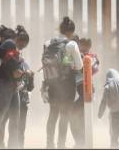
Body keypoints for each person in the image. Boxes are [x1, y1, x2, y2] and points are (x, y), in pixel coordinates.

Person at [41, 17, 83, 149]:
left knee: (53, 114)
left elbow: (45, 65)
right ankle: (61, 145)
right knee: (64, 115)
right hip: (67, 85)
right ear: (71, 32)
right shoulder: (71, 44)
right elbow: (79, 66)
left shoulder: (48, 43)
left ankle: (49, 144)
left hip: (52, 84)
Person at [0, 39, 24, 148]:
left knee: (15, 120)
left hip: (14, 89)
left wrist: (20, 73)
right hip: (3, 88)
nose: (13, 54)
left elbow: (17, 72)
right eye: (11, 52)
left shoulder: (13, 57)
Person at [70, 37, 100, 148]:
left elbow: (94, 68)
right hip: (83, 89)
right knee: (79, 117)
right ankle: (81, 141)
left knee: (77, 117)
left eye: (82, 45)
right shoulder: (78, 56)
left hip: (85, 89)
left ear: (87, 46)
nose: (80, 47)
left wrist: (82, 61)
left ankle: (81, 142)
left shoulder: (90, 57)